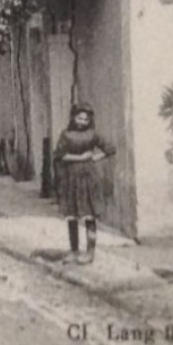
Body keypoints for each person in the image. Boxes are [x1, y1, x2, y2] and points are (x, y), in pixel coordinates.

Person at [53, 103, 115, 265]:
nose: (82, 121)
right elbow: (60, 156)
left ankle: (90, 252)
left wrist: (95, 157)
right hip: (71, 178)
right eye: (79, 118)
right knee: (71, 216)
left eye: (86, 119)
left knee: (89, 215)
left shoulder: (93, 135)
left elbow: (110, 149)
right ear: (73, 117)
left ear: (89, 121)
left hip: (89, 178)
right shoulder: (66, 135)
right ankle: (74, 251)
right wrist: (81, 158)